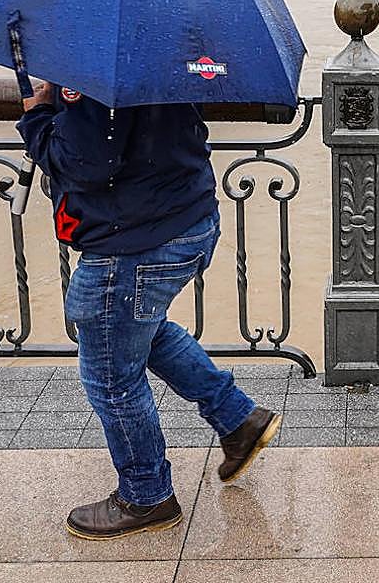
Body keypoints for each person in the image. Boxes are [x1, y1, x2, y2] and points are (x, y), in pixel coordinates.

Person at [18, 81, 281, 540]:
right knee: (135, 328)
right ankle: (237, 420)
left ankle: (146, 496)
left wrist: (37, 116)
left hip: (135, 239)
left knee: (110, 374)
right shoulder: (159, 45)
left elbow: (85, 163)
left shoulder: (91, 67)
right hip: (188, 218)